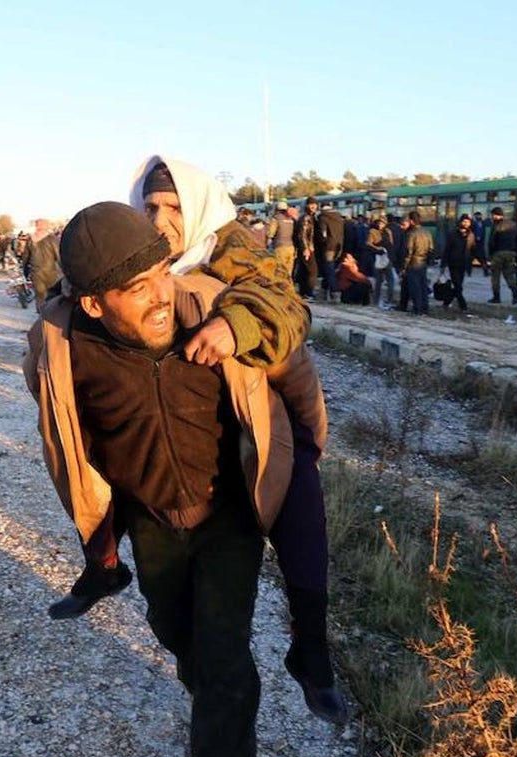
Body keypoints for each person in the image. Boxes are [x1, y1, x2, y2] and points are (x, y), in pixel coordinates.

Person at [48, 156, 348, 724]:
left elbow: (286, 307)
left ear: (199, 208)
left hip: (257, 429)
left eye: (173, 207)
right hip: (158, 487)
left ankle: (311, 653)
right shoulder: (125, 259)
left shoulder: (231, 252)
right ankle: (105, 570)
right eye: (150, 206)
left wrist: (235, 326)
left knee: (303, 530)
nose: (160, 220)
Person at [25, 201, 297, 757]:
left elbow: (290, 311)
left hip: (227, 518)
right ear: (95, 304)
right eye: (137, 289)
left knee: (224, 657)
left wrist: (239, 325)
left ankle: (224, 730)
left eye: (160, 277)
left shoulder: (205, 309)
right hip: (152, 521)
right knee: (176, 635)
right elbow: (63, 421)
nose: (159, 298)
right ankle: (218, 698)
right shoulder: (65, 348)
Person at [25, 218, 62, 313]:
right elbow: (58, 255)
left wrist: (25, 270)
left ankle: (41, 316)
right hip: (51, 271)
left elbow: (25, 257)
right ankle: (50, 316)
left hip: (35, 271)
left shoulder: (31, 240)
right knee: (51, 294)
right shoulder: (52, 239)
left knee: (39, 296)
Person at [402, 211, 434, 316]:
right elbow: (431, 249)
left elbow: (408, 252)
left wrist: (404, 267)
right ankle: (425, 308)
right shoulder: (427, 232)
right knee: (423, 286)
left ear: (411, 221)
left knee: (415, 288)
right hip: (423, 263)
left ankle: (417, 309)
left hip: (413, 263)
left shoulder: (411, 234)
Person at [440, 214, 473, 311]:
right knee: (458, 285)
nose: (465, 224)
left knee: (459, 285)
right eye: (464, 221)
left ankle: (447, 301)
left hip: (464, 264)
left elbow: (474, 249)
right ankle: (463, 305)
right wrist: (443, 264)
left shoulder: (471, 235)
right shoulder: (453, 234)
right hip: (453, 263)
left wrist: (483, 262)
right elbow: (447, 250)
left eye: (467, 222)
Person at [486, 207, 517, 304]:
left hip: (498, 253)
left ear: (496, 215)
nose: (492, 217)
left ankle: (496, 297)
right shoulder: (513, 224)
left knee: (495, 276)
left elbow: (491, 241)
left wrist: (490, 255)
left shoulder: (496, 225)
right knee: (509, 275)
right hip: (511, 253)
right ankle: (516, 293)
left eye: (492, 215)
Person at [316, 205, 346, 300]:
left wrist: (321, 243)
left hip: (328, 247)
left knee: (329, 270)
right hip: (338, 247)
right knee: (328, 269)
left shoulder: (323, 218)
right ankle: (323, 292)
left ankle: (335, 292)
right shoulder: (339, 219)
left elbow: (323, 234)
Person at [294, 196, 320, 299]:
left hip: (309, 247)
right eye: (311, 204)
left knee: (304, 271)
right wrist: (305, 248)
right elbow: (302, 234)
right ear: (307, 205)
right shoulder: (306, 218)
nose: (313, 206)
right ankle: (309, 293)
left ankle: (303, 292)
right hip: (308, 248)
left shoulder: (312, 217)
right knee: (312, 271)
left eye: (315, 204)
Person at [265, 201, 297, 279]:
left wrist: (267, 242)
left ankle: (281, 288)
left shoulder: (276, 219)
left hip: (280, 248)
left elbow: (271, 233)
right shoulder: (292, 219)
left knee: (280, 271)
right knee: (289, 272)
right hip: (291, 248)